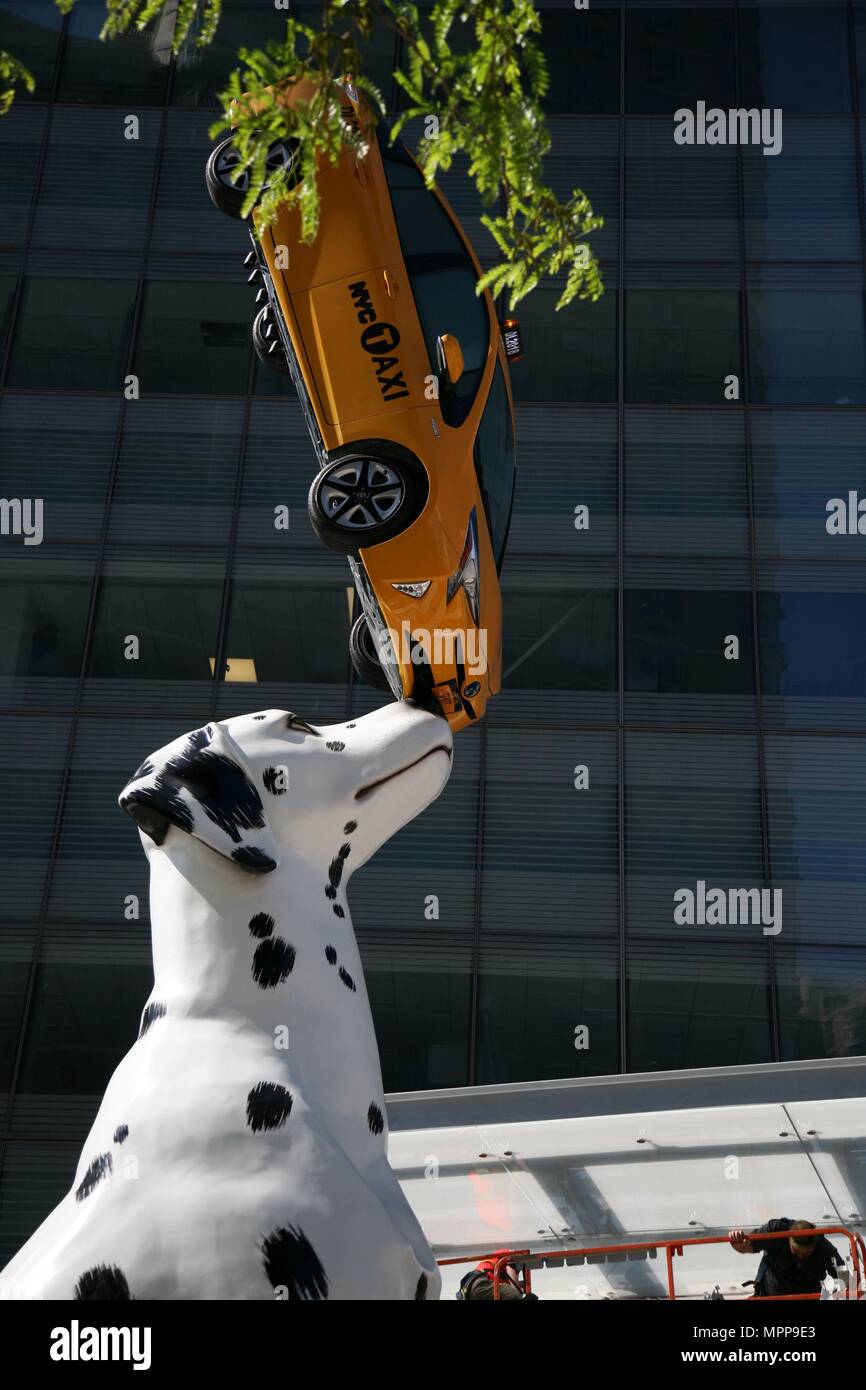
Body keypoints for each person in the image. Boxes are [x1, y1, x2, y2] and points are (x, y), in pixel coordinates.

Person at [728, 1219, 846, 1298]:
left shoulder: (824, 1247)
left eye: (806, 1254)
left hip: (805, 1296)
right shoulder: (775, 1231)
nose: (800, 1256)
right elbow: (747, 1246)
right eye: (796, 1251)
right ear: (789, 1238)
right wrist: (736, 1243)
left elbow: (845, 1277)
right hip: (771, 1294)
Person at [457, 1250, 538, 1300]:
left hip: (470, 1292)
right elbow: (515, 1289)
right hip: (479, 1285)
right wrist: (521, 1293)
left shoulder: (499, 1284)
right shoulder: (508, 1253)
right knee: (515, 1295)